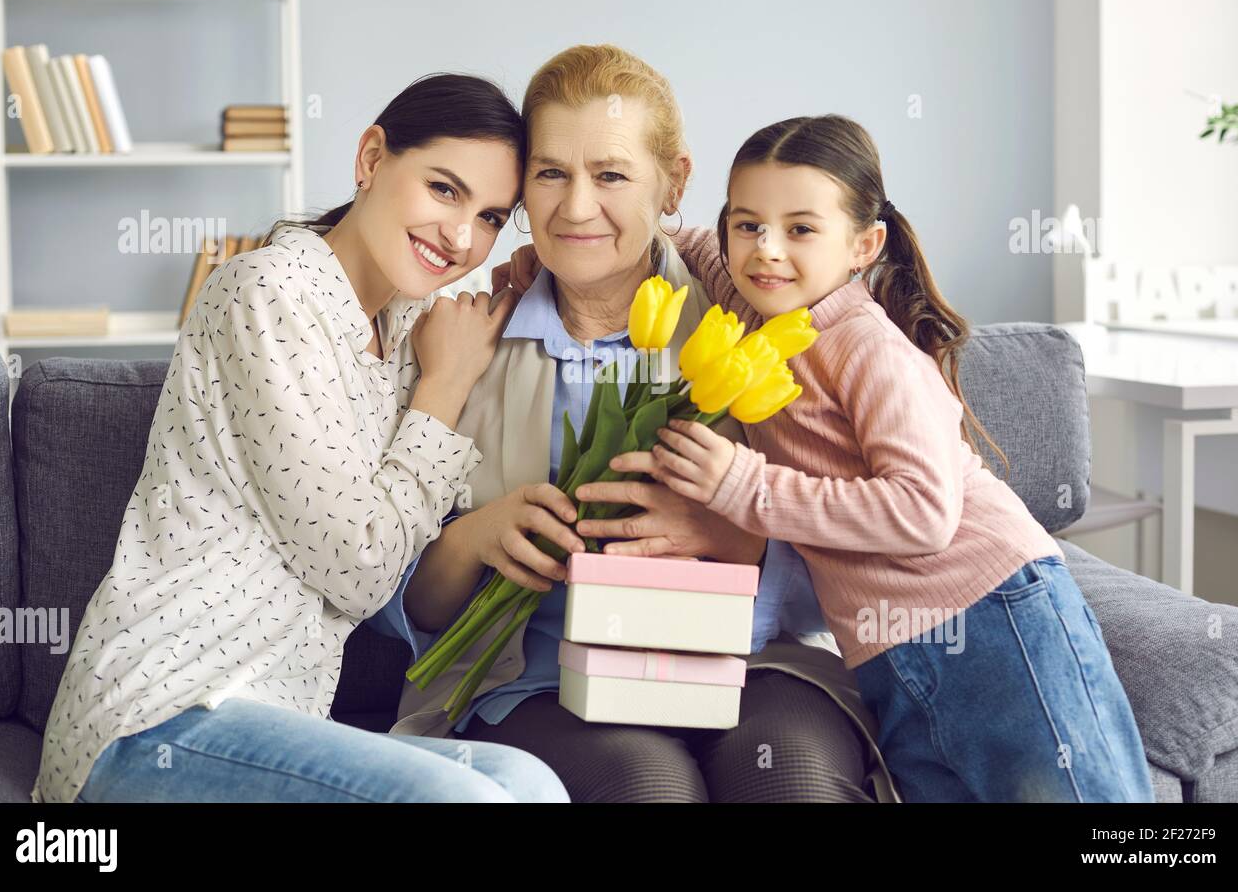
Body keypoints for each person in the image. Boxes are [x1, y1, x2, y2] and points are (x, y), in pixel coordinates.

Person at [373, 46, 898, 803]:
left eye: (612, 175)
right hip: (535, 686)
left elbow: (864, 570)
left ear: (675, 183)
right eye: (551, 173)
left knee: (795, 779)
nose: (576, 208)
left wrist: (747, 543)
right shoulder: (458, 343)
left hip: (750, 668)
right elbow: (391, 604)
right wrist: (472, 538)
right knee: (648, 786)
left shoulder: (756, 329)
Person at [33, 74, 568, 803]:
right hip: (158, 715)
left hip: (275, 719)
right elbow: (358, 568)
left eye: (490, 218)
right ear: (372, 159)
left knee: (529, 785)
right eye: (444, 190)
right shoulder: (266, 292)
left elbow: (397, 580)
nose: (461, 237)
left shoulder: (413, 334)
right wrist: (444, 389)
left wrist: (542, 279)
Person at [631, 113, 1154, 802]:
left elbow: (924, 513)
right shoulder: (765, 317)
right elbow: (685, 243)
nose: (766, 250)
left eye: (801, 228)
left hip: (993, 613)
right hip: (886, 651)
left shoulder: (867, 347)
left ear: (864, 244)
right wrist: (600, 234)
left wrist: (743, 484)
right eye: (747, 223)